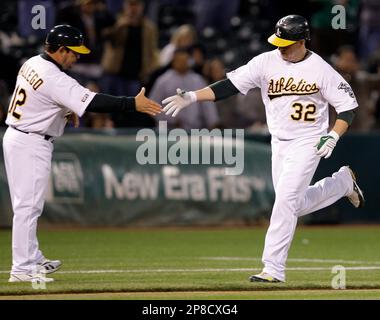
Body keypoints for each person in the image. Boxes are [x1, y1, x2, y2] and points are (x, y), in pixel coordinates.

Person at [161, 15, 365, 283]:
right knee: (293, 203)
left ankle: (273, 269)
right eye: (278, 42)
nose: (281, 47)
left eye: (287, 43)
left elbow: (348, 106)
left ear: (303, 41)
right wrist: (192, 96)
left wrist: (333, 135)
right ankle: (341, 183)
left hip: (308, 141)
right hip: (279, 141)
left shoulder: (321, 69)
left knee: (285, 202)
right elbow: (229, 86)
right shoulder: (265, 62)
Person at [2, 24, 161, 283]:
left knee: (29, 206)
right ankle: (22, 269)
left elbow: (37, 97)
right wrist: (133, 103)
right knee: (28, 207)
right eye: (73, 52)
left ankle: (32, 256)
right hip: (30, 142)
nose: (77, 57)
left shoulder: (32, 62)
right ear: (61, 50)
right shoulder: (56, 78)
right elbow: (95, 101)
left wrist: (64, 108)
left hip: (20, 135)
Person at [150, 48, 219, 131]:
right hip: (168, 130)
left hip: (195, 130)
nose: (182, 63)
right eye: (179, 60)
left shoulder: (197, 79)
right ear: (174, 60)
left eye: (184, 60)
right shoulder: (163, 80)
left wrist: (213, 123)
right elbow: (152, 106)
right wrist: (170, 119)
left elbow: (207, 105)